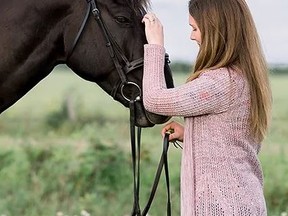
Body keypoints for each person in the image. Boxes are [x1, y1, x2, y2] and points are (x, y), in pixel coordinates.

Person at [142, 0, 272, 215]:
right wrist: (191, 134)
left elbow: (155, 99)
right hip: (245, 203)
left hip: (223, 207)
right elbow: (234, 139)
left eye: (194, 28)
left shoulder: (220, 82)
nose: (192, 36)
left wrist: (155, 45)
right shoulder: (243, 77)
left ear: (215, 30)